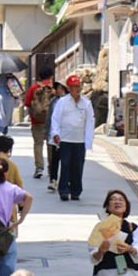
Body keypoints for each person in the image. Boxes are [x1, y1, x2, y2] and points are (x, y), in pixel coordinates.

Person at [89, 189, 138, 276]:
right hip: (107, 275)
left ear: (126, 206)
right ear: (108, 206)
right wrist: (101, 251)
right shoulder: (100, 228)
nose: (117, 202)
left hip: (129, 275)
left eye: (121, 200)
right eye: (113, 199)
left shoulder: (132, 227)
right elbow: (93, 255)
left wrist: (129, 248)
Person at [50, 73, 94, 201]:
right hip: (65, 139)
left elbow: (90, 121)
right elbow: (55, 119)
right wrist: (55, 134)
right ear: (69, 88)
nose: (77, 89)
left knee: (78, 166)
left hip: (79, 140)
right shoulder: (62, 102)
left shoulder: (86, 103)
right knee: (65, 165)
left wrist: (88, 140)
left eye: (78, 86)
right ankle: (63, 190)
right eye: (74, 86)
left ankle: (76, 191)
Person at [24, 72, 55, 179]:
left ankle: (39, 168)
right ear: (51, 76)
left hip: (36, 121)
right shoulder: (53, 88)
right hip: (51, 122)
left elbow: (27, 103)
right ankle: (52, 168)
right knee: (51, 145)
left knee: (38, 144)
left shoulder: (33, 88)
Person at [46, 80, 67, 192]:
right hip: (55, 134)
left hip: (67, 135)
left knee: (66, 160)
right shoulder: (53, 101)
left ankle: (65, 181)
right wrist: (48, 131)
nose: (56, 90)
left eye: (58, 88)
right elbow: (50, 118)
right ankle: (53, 180)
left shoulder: (70, 101)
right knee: (54, 159)